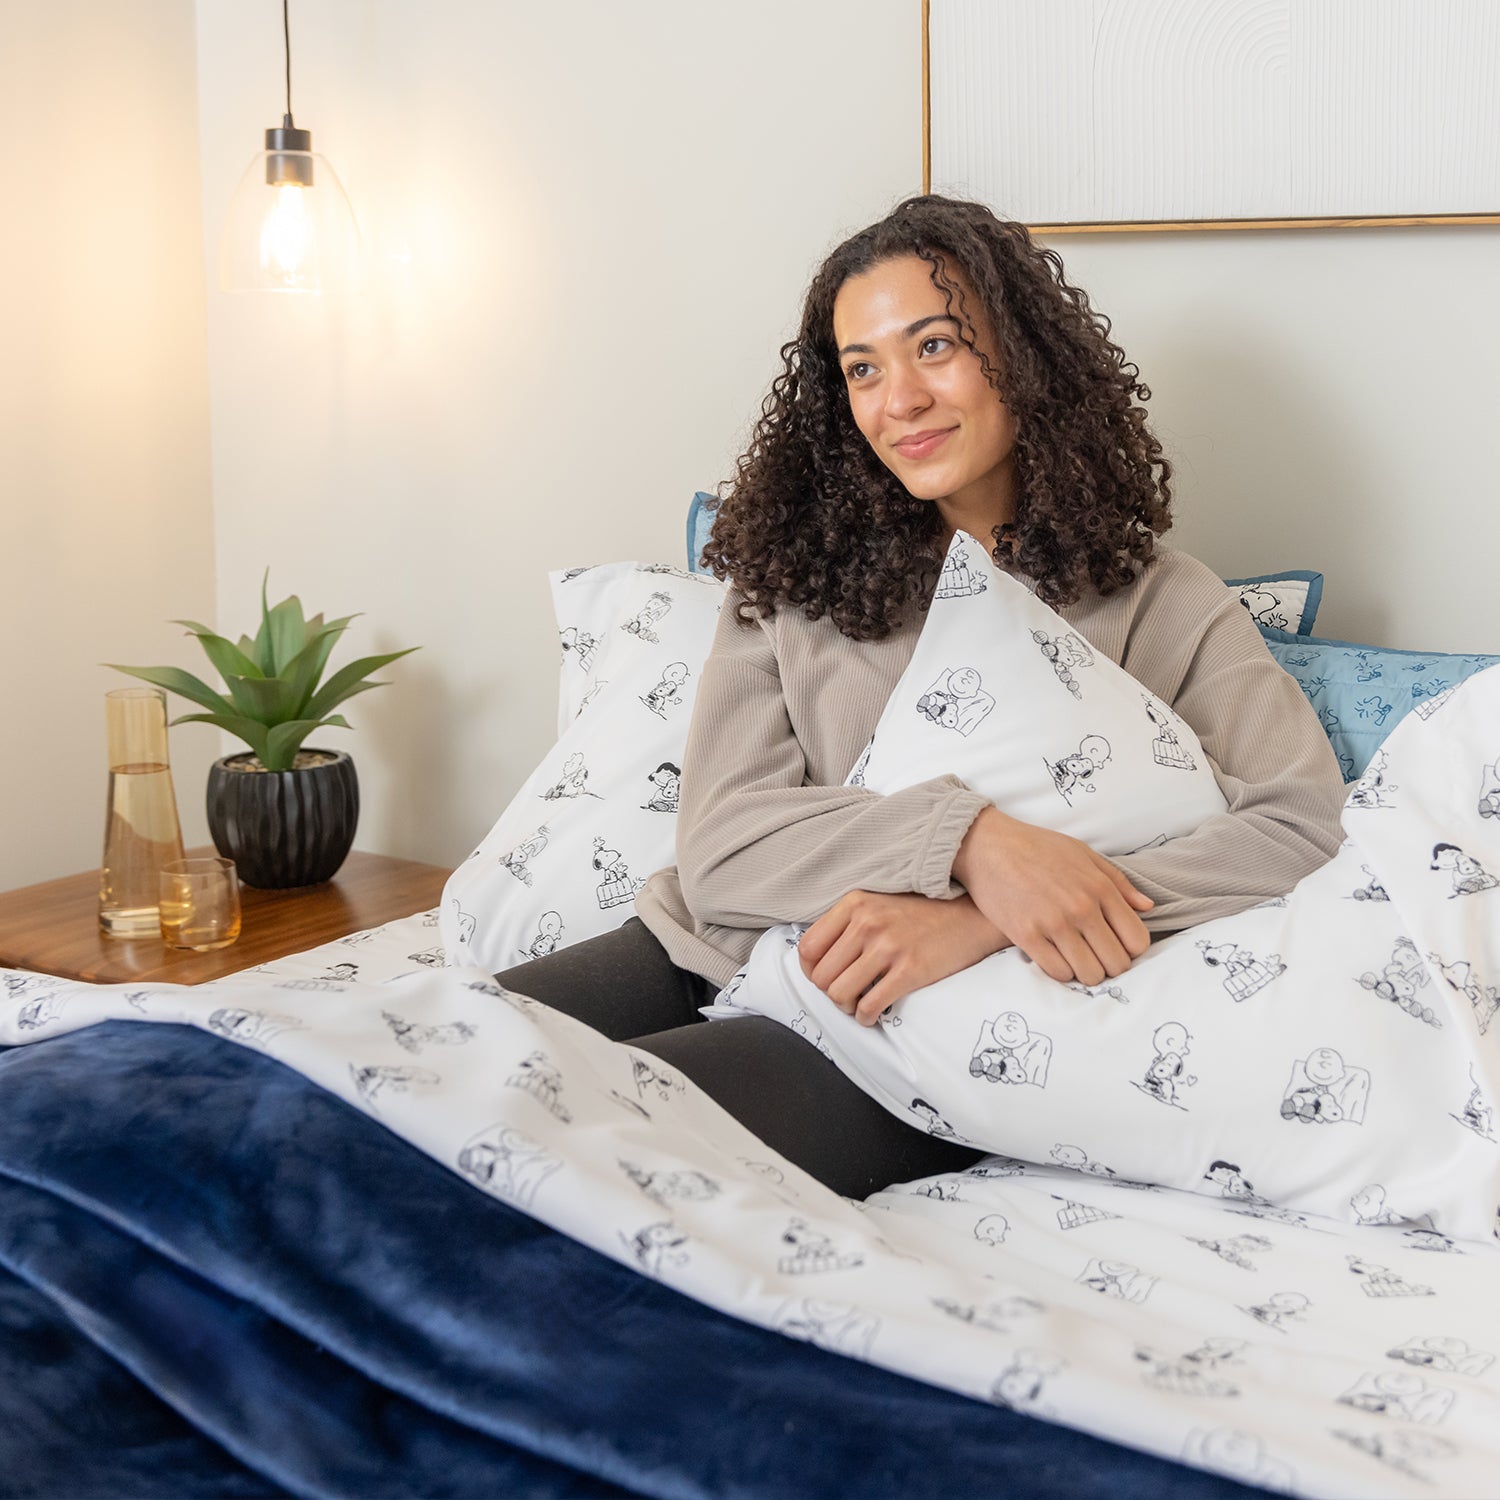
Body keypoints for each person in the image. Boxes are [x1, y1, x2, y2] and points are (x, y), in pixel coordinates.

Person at [497, 195, 1346, 1198]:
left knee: (574, 1159)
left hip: (902, 1034)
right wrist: (973, 844)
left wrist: (996, 918)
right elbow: (723, 852)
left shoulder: (1162, 599)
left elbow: (1302, 828)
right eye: (863, 368)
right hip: (698, 951)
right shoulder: (789, 585)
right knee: (408, 1073)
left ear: (1024, 357)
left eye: (934, 345)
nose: (898, 398)